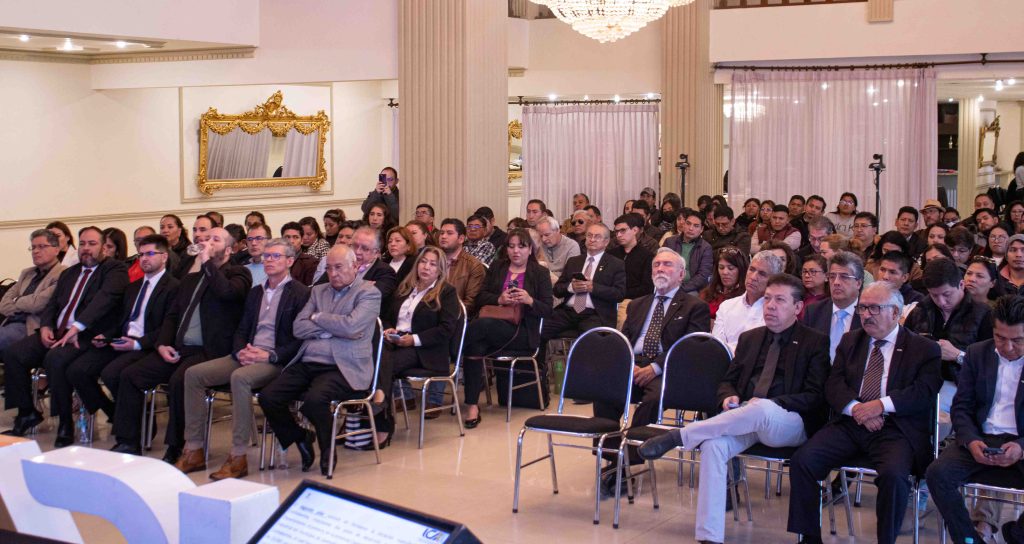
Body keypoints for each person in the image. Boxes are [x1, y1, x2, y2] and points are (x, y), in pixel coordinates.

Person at [640, 273, 829, 544]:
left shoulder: (814, 341)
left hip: (789, 422)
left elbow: (814, 396)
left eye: (779, 300)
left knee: (762, 409)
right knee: (713, 446)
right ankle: (709, 536)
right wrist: (728, 397)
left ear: (798, 307)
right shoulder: (751, 338)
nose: (770, 306)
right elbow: (728, 381)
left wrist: (772, 404)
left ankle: (680, 435)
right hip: (745, 418)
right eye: (767, 299)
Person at [787, 281, 942, 544]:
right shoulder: (851, 341)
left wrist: (880, 406)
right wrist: (857, 408)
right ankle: (809, 539)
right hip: (852, 422)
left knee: (894, 476)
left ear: (895, 312)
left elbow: (923, 392)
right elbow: (834, 383)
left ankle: (886, 540)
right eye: (862, 308)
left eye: (874, 308)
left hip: (896, 429)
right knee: (803, 460)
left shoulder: (923, 348)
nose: (866, 315)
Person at [112, 227, 251, 464]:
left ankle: (177, 446)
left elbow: (226, 293)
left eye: (215, 240)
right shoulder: (190, 279)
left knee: (180, 380)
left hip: (210, 350)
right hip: (180, 347)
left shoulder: (238, 273)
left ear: (228, 250)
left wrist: (206, 262)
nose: (207, 243)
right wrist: (162, 344)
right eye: (205, 239)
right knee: (131, 374)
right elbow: (173, 315)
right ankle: (128, 440)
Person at [174, 238, 310, 479]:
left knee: (240, 378)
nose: (269, 260)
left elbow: (300, 339)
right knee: (193, 374)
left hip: (275, 361)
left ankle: (238, 456)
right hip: (247, 353)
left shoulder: (300, 293)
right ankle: (193, 448)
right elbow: (241, 328)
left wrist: (269, 354)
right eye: (266, 256)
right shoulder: (256, 292)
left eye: (275, 256)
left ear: (290, 261)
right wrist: (240, 351)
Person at [258, 244, 381, 476]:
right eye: (329, 268)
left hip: (343, 366)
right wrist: (333, 327)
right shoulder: (318, 291)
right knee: (268, 397)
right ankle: (301, 436)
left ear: (355, 266)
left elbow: (352, 326)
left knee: (314, 400)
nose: (333, 273)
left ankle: (327, 450)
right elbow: (298, 327)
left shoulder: (368, 293)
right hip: (308, 361)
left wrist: (318, 317)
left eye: (339, 267)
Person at [2, 227, 129, 445]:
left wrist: (77, 328)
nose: (86, 249)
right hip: (58, 332)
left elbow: (104, 301)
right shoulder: (70, 273)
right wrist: (45, 326)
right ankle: (26, 412)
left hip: (87, 334)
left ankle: (65, 423)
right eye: (83, 244)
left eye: (92, 244)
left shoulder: (114, 269)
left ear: (103, 247)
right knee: (14, 353)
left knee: (56, 359)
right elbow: (53, 304)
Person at [595, 248, 710, 484]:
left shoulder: (694, 306)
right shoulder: (637, 304)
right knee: (604, 391)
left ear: (681, 274)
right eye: (656, 265)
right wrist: (628, 364)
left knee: (653, 398)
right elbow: (624, 341)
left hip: (669, 369)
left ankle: (626, 460)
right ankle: (612, 455)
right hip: (634, 364)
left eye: (667, 265)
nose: (660, 269)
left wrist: (655, 368)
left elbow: (690, 348)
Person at [65, 235, 179, 452]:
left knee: (114, 373)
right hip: (122, 341)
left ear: (164, 257)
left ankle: (129, 438)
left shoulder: (174, 287)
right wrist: (105, 336)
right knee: (77, 370)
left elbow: (168, 327)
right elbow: (120, 321)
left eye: (150, 254)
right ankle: (115, 412)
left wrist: (137, 344)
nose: (144, 259)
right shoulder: (133, 287)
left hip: (148, 345)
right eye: (141, 254)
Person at [925, 295, 1024, 544]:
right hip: (981, 437)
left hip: (1019, 440)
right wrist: (970, 440)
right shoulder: (978, 353)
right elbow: (962, 407)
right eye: (1000, 338)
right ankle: (968, 539)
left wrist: (1021, 447)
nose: (1007, 347)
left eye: (1017, 340)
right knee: (937, 474)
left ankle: (1018, 534)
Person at [461, 229, 553, 428]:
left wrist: (529, 300)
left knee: (480, 326)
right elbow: (480, 298)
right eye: (511, 246)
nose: (515, 251)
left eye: (521, 246)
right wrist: (499, 299)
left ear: (530, 249)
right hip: (493, 329)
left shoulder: (539, 272)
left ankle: (453, 348)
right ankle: (472, 406)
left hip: (522, 332)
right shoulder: (497, 267)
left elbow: (547, 309)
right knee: (474, 347)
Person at [373, 246, 460, 443]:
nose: (426, 267)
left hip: (425, 350)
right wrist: (389, 329)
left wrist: (414, 339)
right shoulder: (405, 287)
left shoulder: (446, 292)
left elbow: (446, 329)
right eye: (423, 261)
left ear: (440, 269)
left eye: (433, 264)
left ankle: (379, 420)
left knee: (383, 365)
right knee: (372, 359)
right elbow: (385, 317)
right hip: (396, 342)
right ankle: (371, 416)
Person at [904, 257, 993, 417]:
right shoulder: (920, 311)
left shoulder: (983, 315)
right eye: (934, 295)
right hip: (919, 381)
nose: (941, 301)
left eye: (947, 294)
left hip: (960, 385)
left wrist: (957, 355)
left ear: (961, 284)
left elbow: (991, 365)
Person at [544, 223, 625, 355]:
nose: (592, 239)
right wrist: (571, 287)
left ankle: (585, 368)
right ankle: (539, 366)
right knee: (538, 328)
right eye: (589, 235)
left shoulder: (615, 264)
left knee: (590, 341)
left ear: (606, 242)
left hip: (595, 314)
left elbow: (619, 294)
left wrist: (593, 288)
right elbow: (557, 290)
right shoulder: (574, 261)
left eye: (597, 237)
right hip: (568, 312)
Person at [0, 230, 64, 352]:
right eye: (33, 247)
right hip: (9, 321)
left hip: (31, 327)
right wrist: (23, 306)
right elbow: (3, 304)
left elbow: (36, 304)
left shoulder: (63, 274)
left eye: (41, 246)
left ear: (56, 250)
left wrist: (16, 300)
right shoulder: (27, 273)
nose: (35, 251)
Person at [712, 251, 783, 352]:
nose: (753, 277)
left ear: (774, 280)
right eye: (752, 269)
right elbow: (716, 346)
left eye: (762, 274)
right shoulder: (726, 306)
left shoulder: (776, 313)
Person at [801, 250, 864, 361]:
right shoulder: (813, 312)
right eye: (832, 276)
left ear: (858, 283)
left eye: (844, 277)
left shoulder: (867, 313)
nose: (836, 282)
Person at [609, 214, 655, 328]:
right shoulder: (611, 254)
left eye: (623, 230)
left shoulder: (647, 256)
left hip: (632, 300)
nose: (618, 235)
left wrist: (621, 293)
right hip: (609, 298)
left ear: (635, 230)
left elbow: (647, 288)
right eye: (616, 231)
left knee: (623, 319)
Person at [437, 218, 486, 316]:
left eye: (449, 233)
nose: (443, 236)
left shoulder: (473, 265)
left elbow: (470, 303)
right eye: (441, 233)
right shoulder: (432, 260)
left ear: (461, 239)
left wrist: (445, 314)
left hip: (454, 315)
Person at [663, 208, 714, 294]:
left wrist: (681, 289)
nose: (690, 228)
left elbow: (703, 275)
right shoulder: (670, 242)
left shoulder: (705, 248)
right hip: (669, 285)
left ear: (701, 229)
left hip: (692, 289)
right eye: (688, 223)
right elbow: (661, 265)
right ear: (684, 225)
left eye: (696, 226)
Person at [699, 247, 748, 321]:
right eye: (721, 267)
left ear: (741, 270)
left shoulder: (745, 297)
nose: (725, 272)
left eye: (731, 268)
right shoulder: (707, 293)